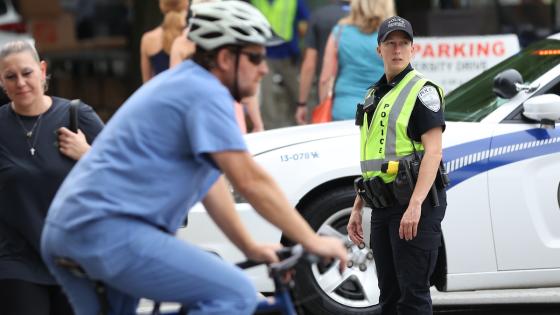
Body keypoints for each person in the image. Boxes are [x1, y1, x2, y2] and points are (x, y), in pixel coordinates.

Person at [40, 2, 347, 315]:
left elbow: (212, 185)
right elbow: (250, 179)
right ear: (225, 58)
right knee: (237, 295)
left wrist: (250, 247)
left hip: (69, 229)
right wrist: (311, 240)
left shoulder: (186, 84)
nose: (264, 69)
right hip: (111, 230)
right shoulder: (204, 92)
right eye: (255, 57)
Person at [347, 16, 447, 315]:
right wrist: (357, 205)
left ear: (413, 49)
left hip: (415, 204)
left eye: (404, 43)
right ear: (379, 50)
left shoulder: (423, 91)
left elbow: (434, 152)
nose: (397, 49)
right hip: (383, 205)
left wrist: (415, 205)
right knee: (388, 296)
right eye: (390, 43)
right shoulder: (373, 95)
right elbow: (374, 160)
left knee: (412, 296)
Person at [0, 40, 104, 315]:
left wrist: (87, 154)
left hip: (74, 258)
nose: (20, 83)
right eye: (11, 77)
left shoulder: (76, 115)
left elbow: (123, 171)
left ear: (42, 70)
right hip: (16, 261)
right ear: (1, 81)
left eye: (27, 73)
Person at [170, 0, 264, 133]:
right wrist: (258, 123)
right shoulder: (233, 42)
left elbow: (176, 90)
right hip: (227, 118)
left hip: (195, 121)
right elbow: (247, 88)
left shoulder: (180, 43)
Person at [315, 0, 394, 122]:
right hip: (381, 110)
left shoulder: (339, 31)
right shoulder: (392, 36)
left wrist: (324, 104)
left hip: (343, 110)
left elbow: (325, 79)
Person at [251, 0, 310, 129]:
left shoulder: (294, 1)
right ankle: (269, 129)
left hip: (288, 53)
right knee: (266, 95)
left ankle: (302, 125)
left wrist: (305, 50)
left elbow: (304, 25)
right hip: (264, 53)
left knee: (297, 93)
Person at [295, 0, 350, 124]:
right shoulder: (369, 21)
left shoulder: (319, 16)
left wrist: (302, 103)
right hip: (368, 101)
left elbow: (309, 64)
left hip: (329, 98)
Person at [140, 0, 188, 82]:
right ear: (186, 4)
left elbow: (147, 85)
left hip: (159, 94)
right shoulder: (191, 37)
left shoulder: (148, 39)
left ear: (161, 6)